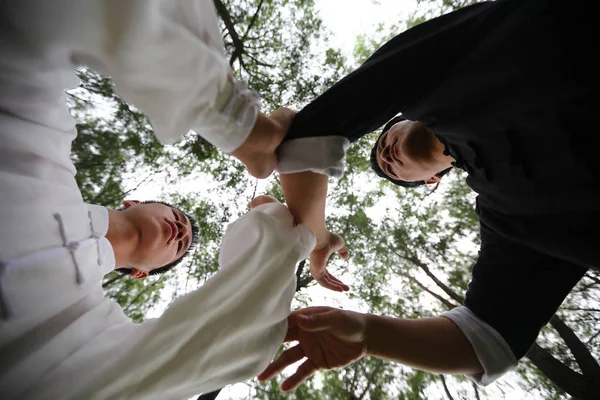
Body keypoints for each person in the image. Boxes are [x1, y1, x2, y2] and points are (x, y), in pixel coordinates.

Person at [261, 0, 598, 390]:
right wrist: (370, 334)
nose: (384, 155)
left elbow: (312, 133)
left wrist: (315, 239)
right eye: (389, 169)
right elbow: (488, 342)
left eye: (386, 137)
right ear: (430, 180)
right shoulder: (512, 220)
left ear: (408, 116)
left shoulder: (450, 73)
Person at [0, 0, 314, 398]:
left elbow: (221, 346)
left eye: (180, 247)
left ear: (140, 274)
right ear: (134, 202)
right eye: (179, 217)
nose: (182, 232)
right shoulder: (38, 149)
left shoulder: (79, 336)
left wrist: (273, 231)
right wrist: (237, 123)